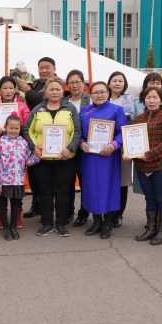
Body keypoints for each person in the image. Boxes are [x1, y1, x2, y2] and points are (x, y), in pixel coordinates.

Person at [25, 76, 81, 237]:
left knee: (63, 192)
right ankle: (47, 223)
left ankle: (61, 223)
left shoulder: (70, 109)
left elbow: (77, 131)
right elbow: (27, 129)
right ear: (46, 91)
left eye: (58, 89)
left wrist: (69, 148)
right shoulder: (37, 109)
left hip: (65, 158)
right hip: (42, 159)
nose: (54, 92)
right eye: (51, 89)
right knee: (44, 192)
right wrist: (34, 146)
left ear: (62, 91)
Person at [129, 86, 162, 245]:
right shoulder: (138, 119)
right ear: (143, 100)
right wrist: (128, 153)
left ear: (161, 101)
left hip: (161, 166)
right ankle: (151, 228)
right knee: (150, 198)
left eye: (155, 97)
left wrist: (149, 155)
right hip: (142, 167)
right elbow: (131, 142)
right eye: (148, 97)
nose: (151, 100)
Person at [78, 81, 127, 239]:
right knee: (91, 186)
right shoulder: (85, 110)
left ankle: (108, 223)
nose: (99, 95)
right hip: (90, 156)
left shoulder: (117, 110)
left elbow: (122, 133)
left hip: (109, 156)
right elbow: (79, 132)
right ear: (90, 95)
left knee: (109, 187)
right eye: (95, 92)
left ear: (108, 92)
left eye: (102, 92)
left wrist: (113, 145)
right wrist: (81, 143)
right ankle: (97, 221)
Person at [0, 75, 31, 229]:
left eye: (11, 88)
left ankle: (16, 215)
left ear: (15, 89)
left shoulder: (22, 107)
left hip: (17, 152)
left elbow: (28, 126)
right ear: (0, 90)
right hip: (0, 149)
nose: (8, 91)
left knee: (17, 185)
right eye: (5, 88)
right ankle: (2, 215)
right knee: (0, 187)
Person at [0, 114, 41, 241]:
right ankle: (6, 227)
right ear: (5, 127)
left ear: (20, 129)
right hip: (3, 180)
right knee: (2, 203)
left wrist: (39, 156)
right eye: (11, 128)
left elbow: (28, 160)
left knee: (15, 203)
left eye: (16, 128)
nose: (13, 131)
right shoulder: (0, 143)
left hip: (17, 180)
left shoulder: (23, 143)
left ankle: (13, 226)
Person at [23, 57, 58, 219]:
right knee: (35, 174)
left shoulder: (56, 84)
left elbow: (42, 100)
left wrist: (27, 91)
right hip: (34, 138)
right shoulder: (36, 83)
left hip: (54, 139)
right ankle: (36, 205)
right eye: (41, 68)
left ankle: (53, 210)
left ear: (54, 68)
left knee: (51, 180)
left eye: (47, 67)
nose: (44, 70)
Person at [132, 72, 162, 202]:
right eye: (152, 83)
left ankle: (161, 221)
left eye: (158, 83)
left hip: (160, 155)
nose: (151, 101)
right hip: (141, 156)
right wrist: (130, 151)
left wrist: (156, 153)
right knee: (149, 197)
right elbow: (133, 131)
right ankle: (151, 222)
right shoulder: (137, 108)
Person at [64, 70, 92, 227]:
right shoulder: (63, 101)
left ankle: (83, 213)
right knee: (67, 182)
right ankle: (68, 212)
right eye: (71, 82)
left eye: (77, 82)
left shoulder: (91, 100)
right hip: (68, 148)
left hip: (86, 148)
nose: (74, 85)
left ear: (83, 83)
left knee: (84, 182)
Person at [107, 71, 134, 228]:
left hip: (122, 143)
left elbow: (128, 118)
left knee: (122, 181)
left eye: (120, 81)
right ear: (109, 83)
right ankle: (107, 211)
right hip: (103, 144)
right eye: (114, 80)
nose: (117, 83)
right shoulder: (102, 97)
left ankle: (118, 214)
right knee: (108, 179)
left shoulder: (127, 100)